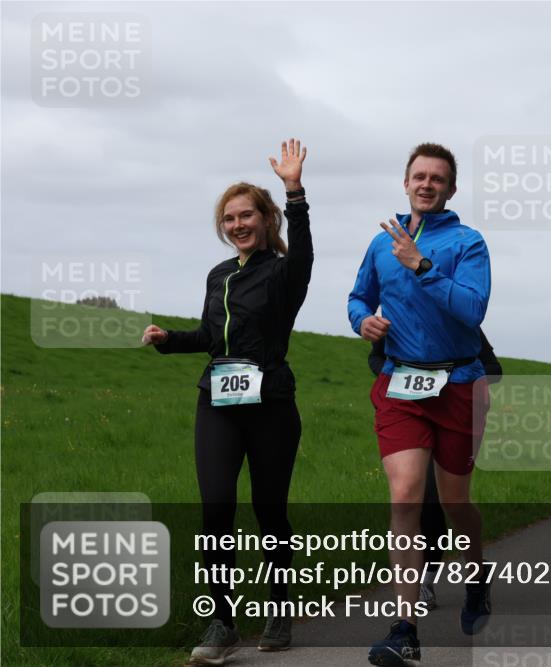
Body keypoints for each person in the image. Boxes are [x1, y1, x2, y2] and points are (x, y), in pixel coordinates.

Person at [141, 139, 312, 662]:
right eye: (230, 218)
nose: (238, 224)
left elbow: (304, 251)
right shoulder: (219, 275)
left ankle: (278, 612)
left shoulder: (284, 272)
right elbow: (212, 336)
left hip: (270, 405)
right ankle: (221, 622)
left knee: (269, 512)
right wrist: (169, 339)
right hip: (216, 400)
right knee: (216, 508)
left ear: (266, 220)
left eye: (247, 215)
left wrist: (294, 191)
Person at [348, 143, 491, 666]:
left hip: (457, 385)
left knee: (455, 505)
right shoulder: (380, 244)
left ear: (451, 189)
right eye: (418, 176)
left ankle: (476, 579)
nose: (426, 184)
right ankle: (405, 628)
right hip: (399, 384)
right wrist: (362, 321)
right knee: (406, 495)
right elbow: (357, 297)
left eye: (437, 178)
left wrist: (423, 263)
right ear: (405, 183)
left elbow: (472, 308)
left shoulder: (469, 243)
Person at [367, 331, 502, 610]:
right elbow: (376, 356)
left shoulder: (458, 315)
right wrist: (394, 374)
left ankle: (477, 572)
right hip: (410, 411)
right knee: (415, 498)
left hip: (453, 410)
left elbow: (493, 368)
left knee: (452, 502)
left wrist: (457, 379)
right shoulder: (397, 314)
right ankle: (422, 588)